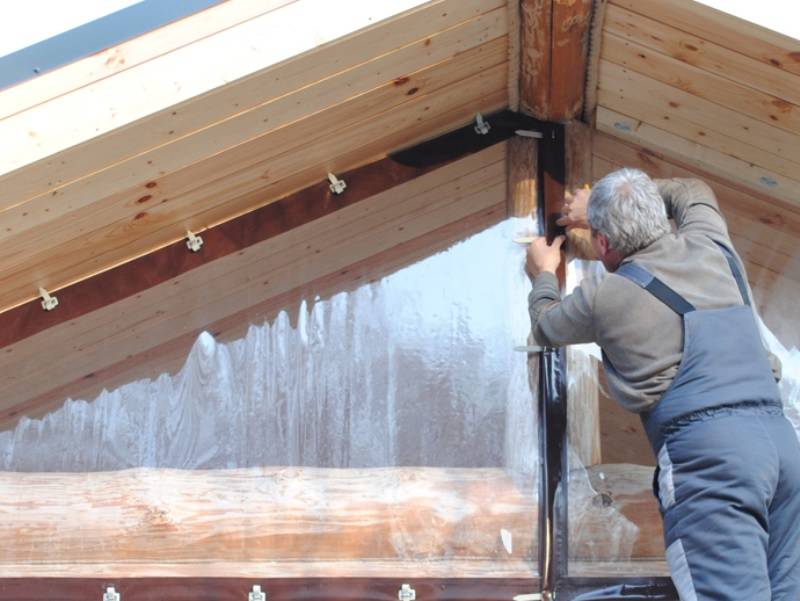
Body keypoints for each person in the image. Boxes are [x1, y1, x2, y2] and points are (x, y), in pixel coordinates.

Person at [525, 168, 800, 601]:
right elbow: (693, 189)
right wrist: (600, 201)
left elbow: (545, 326)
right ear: (657, 214)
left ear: (602, 244)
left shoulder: (605, 297)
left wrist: (543, 273)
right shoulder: (711, 242)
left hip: (711, 462)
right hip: (782, 449)